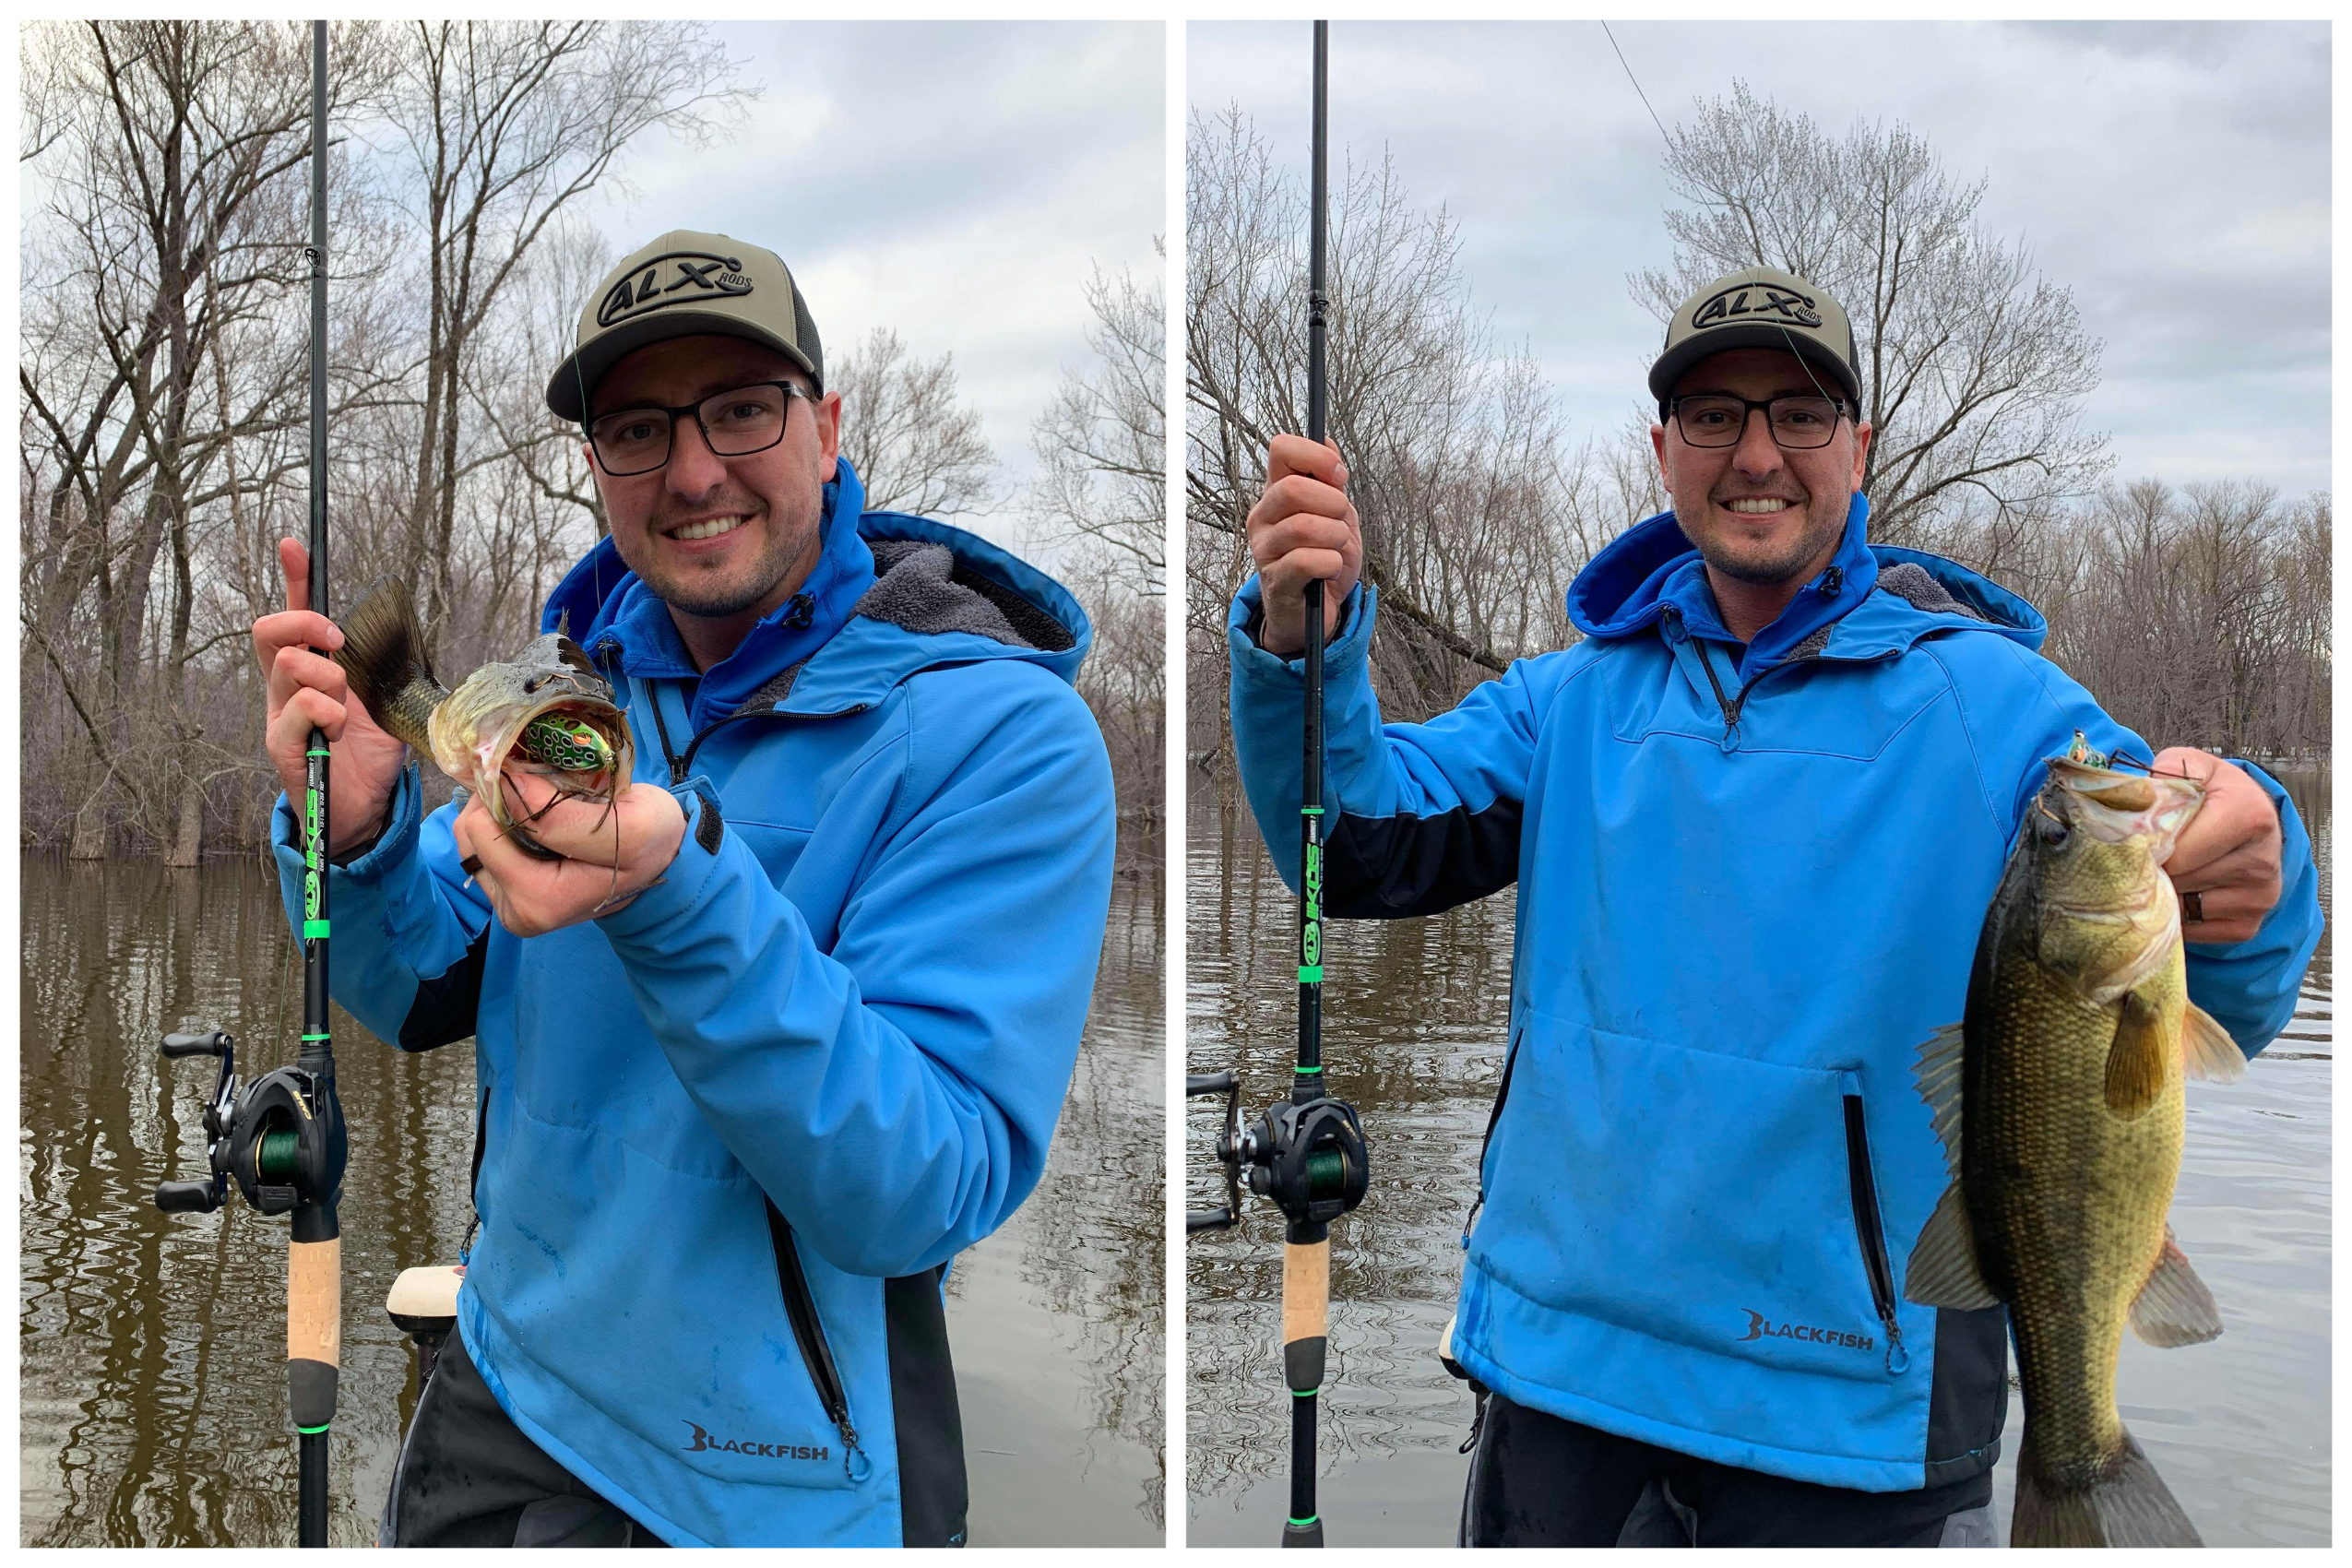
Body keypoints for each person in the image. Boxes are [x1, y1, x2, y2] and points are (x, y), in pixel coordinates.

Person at [1227, 264, 2322, 1547]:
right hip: (1557, 1371)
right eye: (1712, 416)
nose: (1757, 453)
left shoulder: (2008, 715)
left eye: (1798, 414)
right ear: (1662, 451)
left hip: (1853, 1416)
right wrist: (1303, 651)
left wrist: (2262, 870)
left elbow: (2204, 985)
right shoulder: (1567, 699)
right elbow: (1355, 851)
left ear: (1856, 447)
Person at [254, 231, 1117, 1547]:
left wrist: (671, 896)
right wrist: (362, 830)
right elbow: (414, 982)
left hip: (776, 1476)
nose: (696, 469)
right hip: (506, 1389)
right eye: (641, 429)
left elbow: (922, 1186)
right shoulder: (574, 690)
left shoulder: (999, 737)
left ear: (824, 430)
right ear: (597, 469)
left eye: (740, 409)